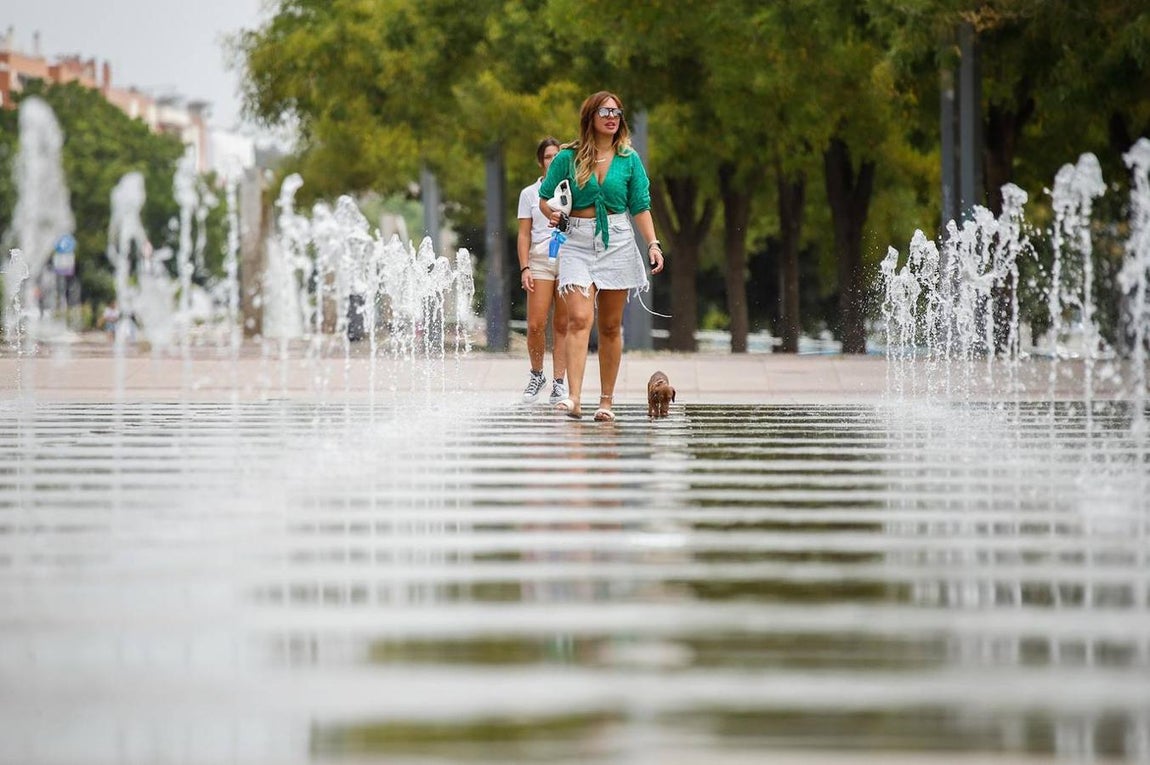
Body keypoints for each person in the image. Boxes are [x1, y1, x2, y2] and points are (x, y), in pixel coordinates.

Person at [539, 91, 664, 421]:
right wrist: (551, 213)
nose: (612, 117)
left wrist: (652, 243)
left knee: (610, 327)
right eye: (605, 111)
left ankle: (606, 402)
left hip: (618, 241)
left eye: (617, 112)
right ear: (590, 116)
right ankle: (575, 398)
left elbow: (640, 205)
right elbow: (544, 197)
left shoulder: (629, 159)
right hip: (576, 241)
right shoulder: (568, 157)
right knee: (579, 318)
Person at [517, 137, 569, 404]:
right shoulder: (529, 194)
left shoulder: (571, 190)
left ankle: (559, 381)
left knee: (562, 324)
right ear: (541, 161)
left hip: (569, 258)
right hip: (539, 260)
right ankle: (537, 374)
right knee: (536, 323)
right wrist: (524, 266)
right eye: (548, 157)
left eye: (557, 156)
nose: (552, 161)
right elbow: (524, 234)